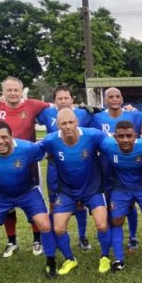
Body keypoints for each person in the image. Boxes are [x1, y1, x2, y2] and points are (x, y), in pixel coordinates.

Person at [0, 122, 54, 282]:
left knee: (45, 225)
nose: (0, 141)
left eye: (4, 137)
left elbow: (47, 150)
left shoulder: (28, 148)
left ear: (11, 136)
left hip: (27, 192)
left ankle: (51, 263)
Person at [0, 76, 51, 257]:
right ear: (3, 92)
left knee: (33, 202)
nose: (12, 93)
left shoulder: (32, 105)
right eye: (8, 90)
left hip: (28, 163)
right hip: (3, 163)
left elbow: (56, 107)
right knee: (7, 203)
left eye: (15, 90)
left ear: (22, 91)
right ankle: (12, 242)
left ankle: (37, 240)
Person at [39, 109, 111, 273]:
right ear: (58, 125)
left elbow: (114, 145)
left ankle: (105, 256)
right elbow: (30, 151)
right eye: (64, 123)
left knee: (101, 224)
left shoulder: (93, 135)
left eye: (71, 122)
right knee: (58, 228)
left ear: (77, 122)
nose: (68, 126)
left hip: (93, 189)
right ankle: (70, 259)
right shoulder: (50, 140)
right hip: (67, 191)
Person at [100, 120, 142, 271]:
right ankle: (119, 260)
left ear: (135, 136)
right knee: (116, 220)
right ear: (115, 137)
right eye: (121, 136)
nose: (126, 139)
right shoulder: (107, 145)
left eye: (129, 135)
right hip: (120, 188)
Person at [37, 86, 94, 252]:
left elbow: (102, 114)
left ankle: (82, 237)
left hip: (77, 165)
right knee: (54, 202)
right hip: (55, 166)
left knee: (79, 203)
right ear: (54, 101)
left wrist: (128, 108)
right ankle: (55, 236)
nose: (63, 101)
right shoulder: (46, 114)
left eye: (66, 98)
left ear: (72, 99)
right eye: (60, 98)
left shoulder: (83, 113)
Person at [91, 87, 142, 250]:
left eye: (117, 96)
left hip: (128, 165)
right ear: (105, 100)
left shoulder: (134, 115)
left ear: (122, 99)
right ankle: (110, 235)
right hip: (106, 165)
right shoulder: (97, 118)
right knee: (109, 203)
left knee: (129, 203)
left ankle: (133, 236)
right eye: (110, 97)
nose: (114, 99)